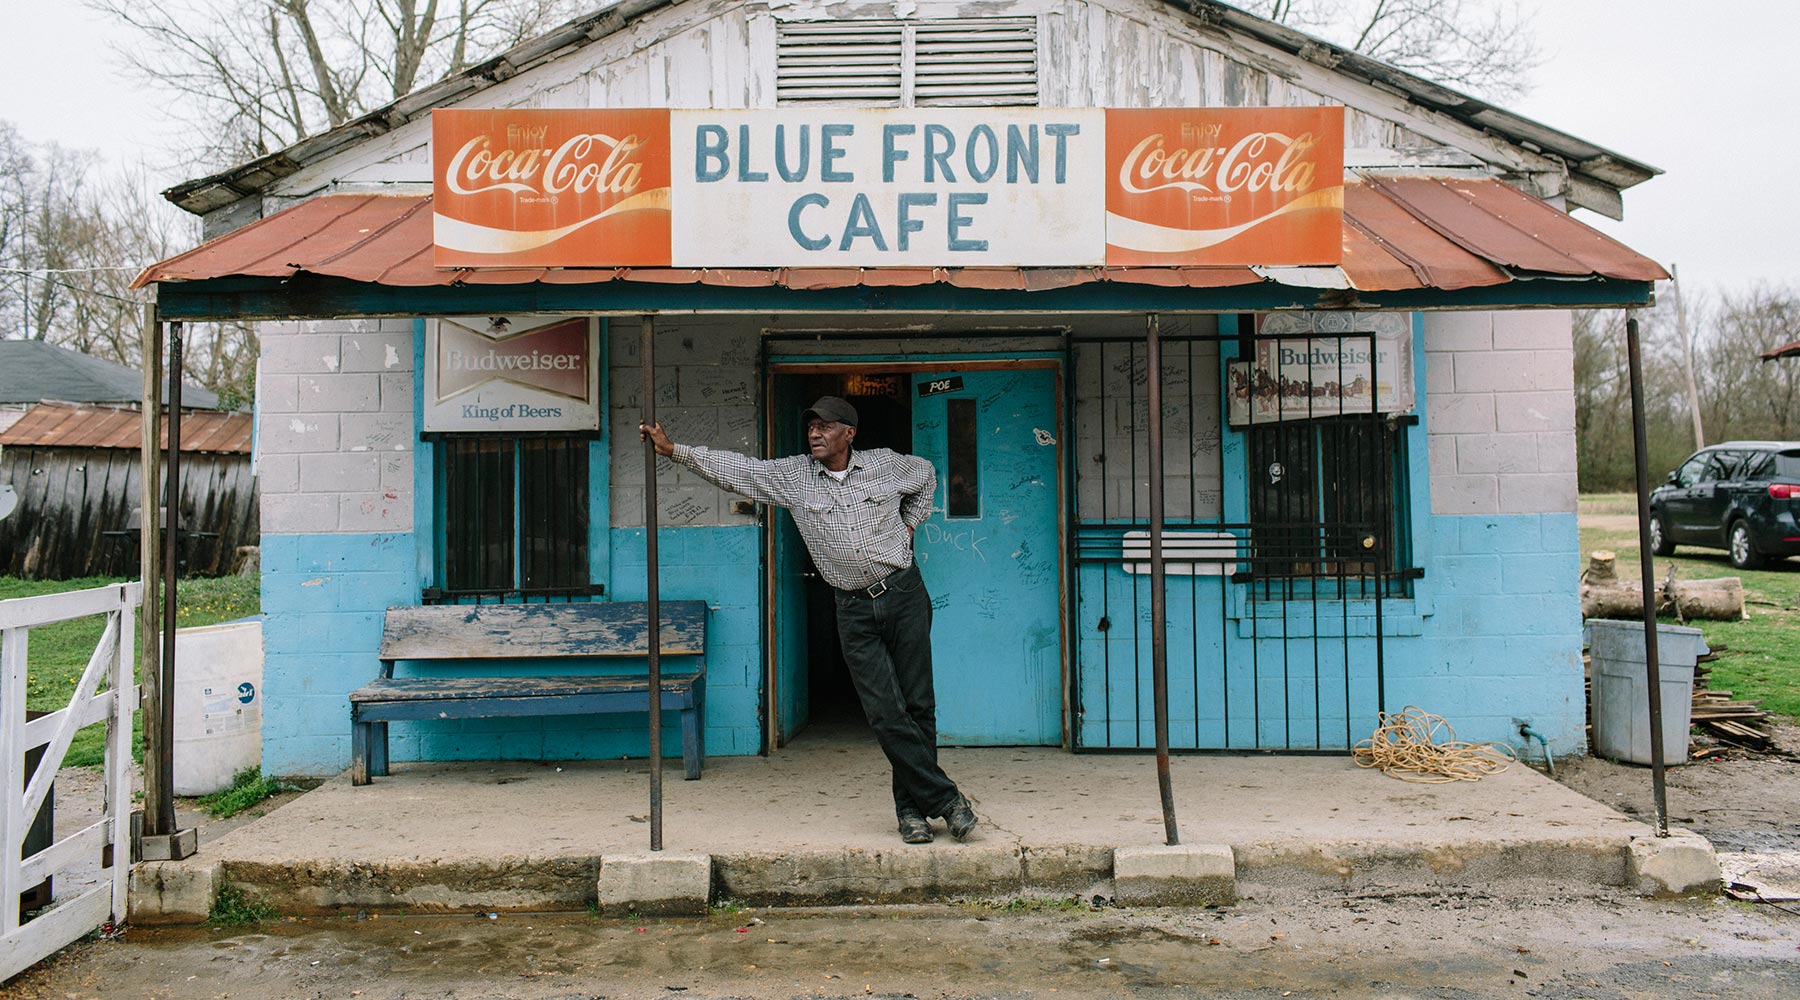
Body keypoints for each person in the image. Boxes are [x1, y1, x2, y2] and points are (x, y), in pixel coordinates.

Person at [641, 396, 977, 844]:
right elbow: (742, 470)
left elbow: (927, 475)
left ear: (849, 433)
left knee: (919, 705)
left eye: (825, 426)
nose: (814, 433)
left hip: (903, 594)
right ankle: (947, 801)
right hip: (853, 608)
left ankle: (911, 811)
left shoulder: (886, 465)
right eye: (811, 426)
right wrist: (676, 451)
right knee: (884, 712)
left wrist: (910, 525)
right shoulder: (796, 476)